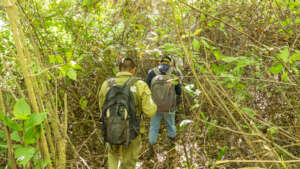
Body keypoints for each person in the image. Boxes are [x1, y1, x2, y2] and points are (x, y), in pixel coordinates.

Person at [99, 57, 157, 169]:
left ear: (118, 70)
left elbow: (102, 107)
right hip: (133, 131)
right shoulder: (140, 85)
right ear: (133, 70)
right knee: (129, 163)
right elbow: (150, 112)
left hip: (110, 128)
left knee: (112, 157)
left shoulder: (106, 84)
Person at [145, 56, 182, 157]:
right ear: (170, 63)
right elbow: (179, 92)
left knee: (154, 127)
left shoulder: (151, 72)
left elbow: (146, 90)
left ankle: (151, 148)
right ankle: (171, 145)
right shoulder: (175, 72)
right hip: (169, 107)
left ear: (159, 62)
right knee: (171, 124)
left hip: (155, 107)